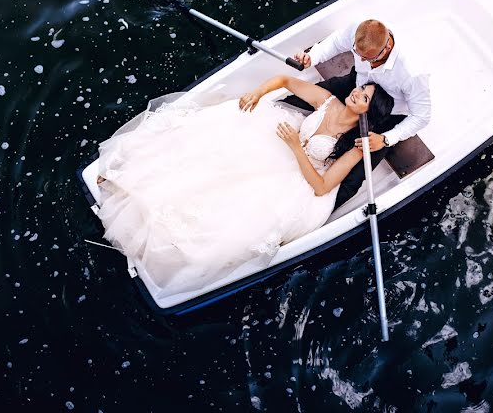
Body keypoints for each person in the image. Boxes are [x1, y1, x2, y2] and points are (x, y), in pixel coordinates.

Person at [93, 75, 394, 301]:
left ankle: (160, 244)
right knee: (217, 142)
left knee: (232, 205)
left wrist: (295, 147)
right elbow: (287, 80)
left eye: (364, 96)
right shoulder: (328, 101)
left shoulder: (356, 146)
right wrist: (259, 91)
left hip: (301, 179)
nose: (356, 92)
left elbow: (321, 186)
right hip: (280, 143)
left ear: (369, 112)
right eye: (361, 87)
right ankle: (130, 180)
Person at [288, 19, 431, 207]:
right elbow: (335, 43)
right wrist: (312, 57)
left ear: (387, 46)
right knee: (300, 98)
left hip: (386, 113)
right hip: (358, 86)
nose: (362, 60)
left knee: (356, 174)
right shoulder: (359, 29)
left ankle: (318, 209)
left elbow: (422, 116)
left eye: (369, 59)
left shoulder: (412, 73)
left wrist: (387, 138)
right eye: (358, 54)